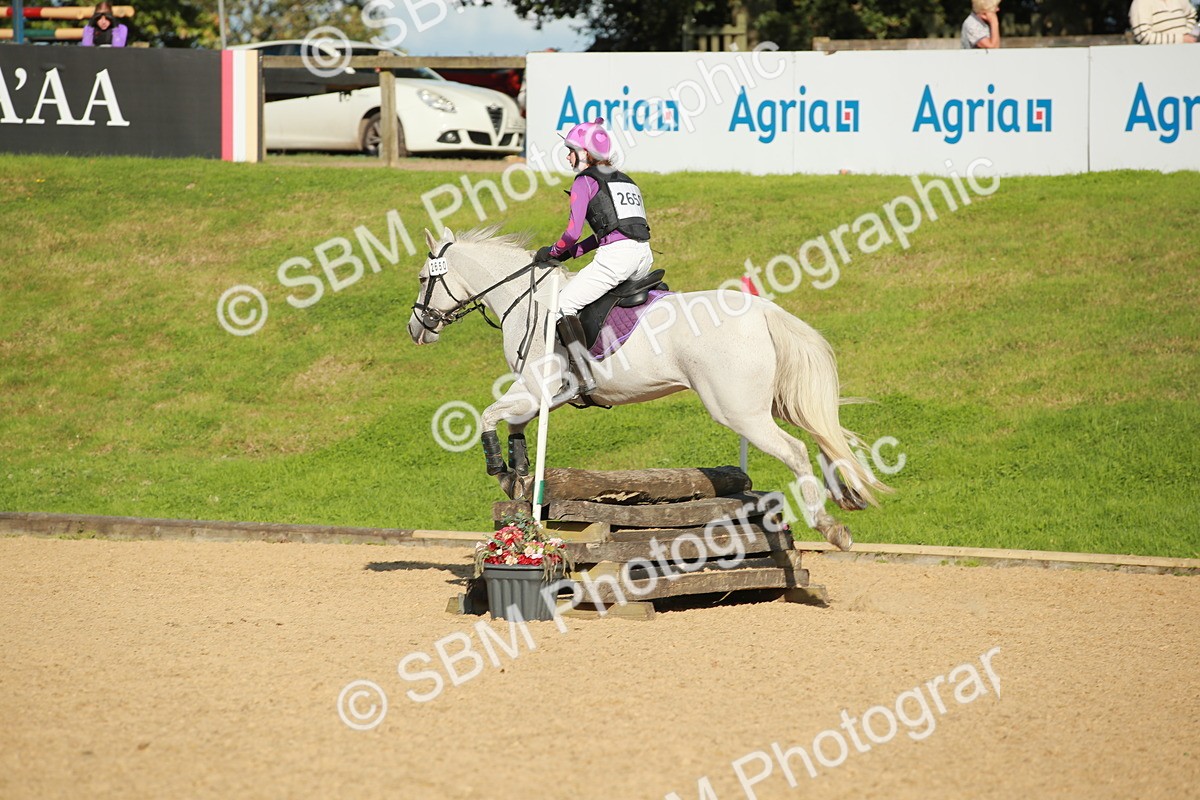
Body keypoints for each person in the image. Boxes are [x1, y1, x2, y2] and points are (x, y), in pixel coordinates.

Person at [533, 117, 653, 397]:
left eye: (571, 150)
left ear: (586, 153)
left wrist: (552, 251)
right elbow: (608, 231)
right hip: (643, 256)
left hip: (618, 258)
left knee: (561, 306)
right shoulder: (625, 179)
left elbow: (572, 233)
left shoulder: (584, 181)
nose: (567, 156)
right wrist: (571, 255)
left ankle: (580, 377)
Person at [1129, 0, 1199, 43]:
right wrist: (1180, 39)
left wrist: (1187, 33)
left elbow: (1192, 15)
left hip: (1184, 54)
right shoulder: (1141, 2)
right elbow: (1143, 36)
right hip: (1157, 58)